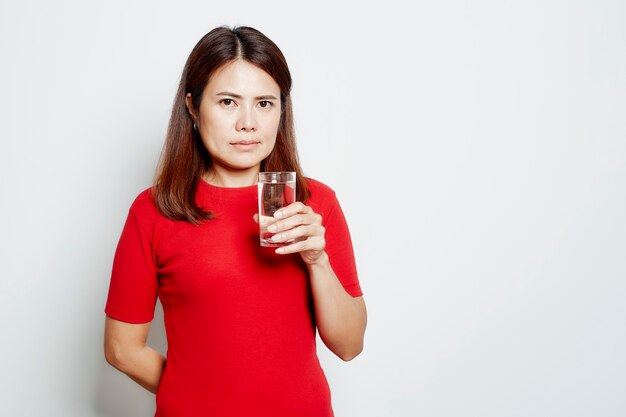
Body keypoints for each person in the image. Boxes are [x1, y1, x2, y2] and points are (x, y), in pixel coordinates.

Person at [103, 25, 367, 417]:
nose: (248, 123)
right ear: (193, 107)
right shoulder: (154, 210)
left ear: (282, 110)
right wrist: (200, 398)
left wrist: (318, 260)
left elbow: (349, 346)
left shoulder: (315, 204)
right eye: (228, 102)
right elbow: (122, 349)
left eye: (264, 103)